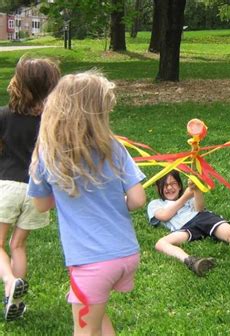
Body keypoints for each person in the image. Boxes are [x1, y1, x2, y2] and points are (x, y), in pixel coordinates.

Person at [28, 71, 146, 335]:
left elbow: (41, 205)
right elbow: (138, 199)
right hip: (125, 254)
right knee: (99, 319)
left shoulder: (47, 153)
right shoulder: (114, 147)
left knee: (84, 331)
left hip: (91, 263)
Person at [0, 56, 60, 321]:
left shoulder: (3, 115)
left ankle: (11, 281)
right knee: (18, 245)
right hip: (39, 190)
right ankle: (13, 297)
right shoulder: (54, 121)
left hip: (8, 184)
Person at [147, 170, 230, 276]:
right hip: (183, 228)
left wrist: (196, 190)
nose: (169, 188)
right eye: (165, 185)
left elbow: (199, 209)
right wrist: (185, 196)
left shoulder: (188, 198)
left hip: (202, 218)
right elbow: (164, 216)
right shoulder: (155, 204)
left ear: (179, 185)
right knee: (161, 243)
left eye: (173, 184)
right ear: (158, 188)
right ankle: (191, 261)